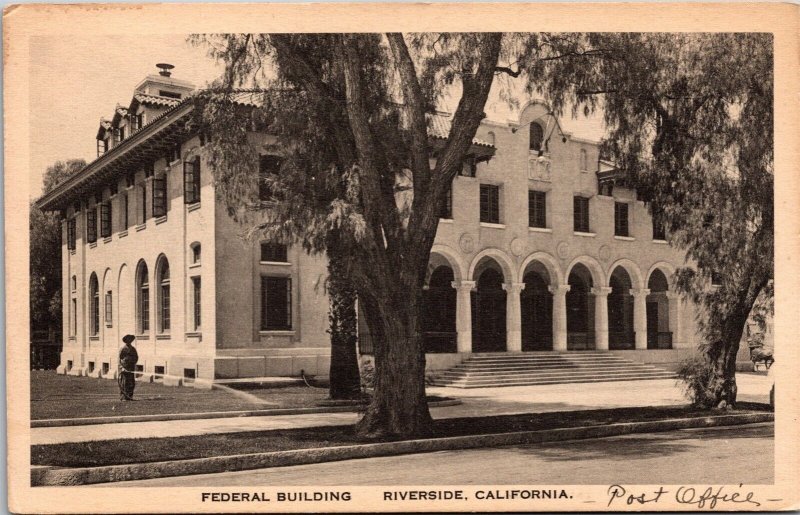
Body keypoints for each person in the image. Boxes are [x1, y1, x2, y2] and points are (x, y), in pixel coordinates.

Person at [118, 334, 139, 401]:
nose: (129, 341)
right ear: (125, 341)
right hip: (125, 368)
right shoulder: (123, 349)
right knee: (124, 382)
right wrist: (122, 367)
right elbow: (119, 359)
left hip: (131, 367)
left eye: (130, 340)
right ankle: (123, 397)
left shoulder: (133, 349)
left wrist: (134, 364)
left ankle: (130, 396)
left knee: (131, 382)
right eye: (128, 340)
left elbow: (136, 357)